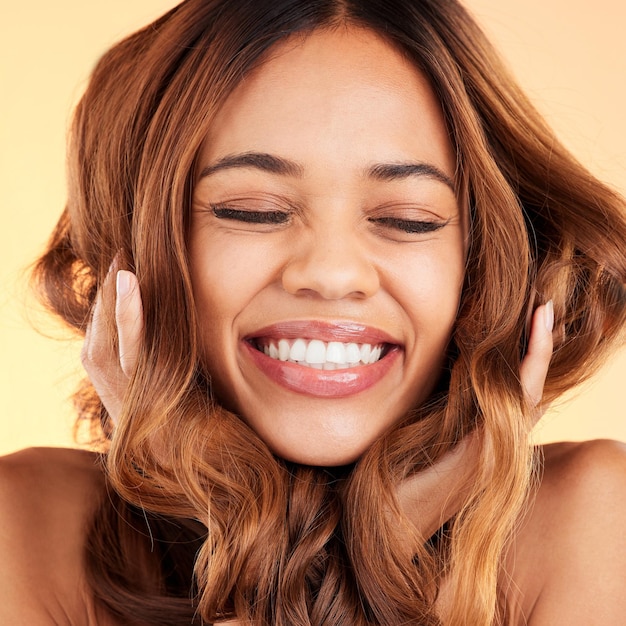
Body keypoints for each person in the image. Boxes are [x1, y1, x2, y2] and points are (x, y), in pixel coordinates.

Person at [1, 0, 626, 624]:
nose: (330, 274)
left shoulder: (590, 522)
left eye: (405, 220)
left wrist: (373, 562)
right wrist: (254, 530)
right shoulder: (24, 528)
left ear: (486, 262)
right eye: (254, 210)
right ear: (136, 248)